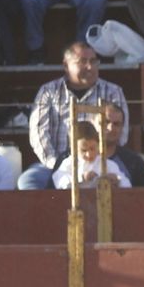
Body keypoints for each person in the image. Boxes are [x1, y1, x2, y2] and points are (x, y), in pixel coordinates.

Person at [20, 41, 127, 190]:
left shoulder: (113, 91)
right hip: (57, 164)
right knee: (28, 181)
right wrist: (57, 165)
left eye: (93, 61)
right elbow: (38, 134)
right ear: (65, 65)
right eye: (83, 61)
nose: (90, 67)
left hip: (102, 163)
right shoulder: (48, 91)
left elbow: (121, 133)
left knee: (125, 180)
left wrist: (98, 164)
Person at [53, 121, 130, 189]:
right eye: (84, 150)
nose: (89, 154)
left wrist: (117, 180)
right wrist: (81, 178)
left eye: (92, 148)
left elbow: (127, 184)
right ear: (73, 149)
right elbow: (60, 181)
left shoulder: (106, 163)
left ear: (98, 145)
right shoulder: (69, 163)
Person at [101, 102, 144, 188]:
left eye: (116, 124)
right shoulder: (77, 159)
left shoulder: (134, 162)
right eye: (106, 122)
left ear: (122, 128)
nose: (111, 128)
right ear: (93, 123)